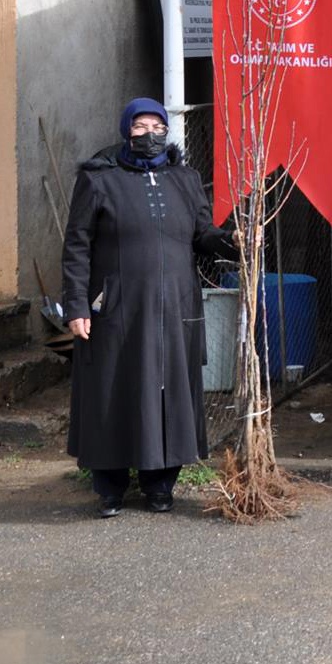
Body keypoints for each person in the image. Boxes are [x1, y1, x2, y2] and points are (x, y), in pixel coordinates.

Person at [61, 98, 235, 518]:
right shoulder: (99, 181)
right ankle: (110, 487)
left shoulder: (185, 180)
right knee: (112, 390)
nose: (150, 134)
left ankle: (160, 484)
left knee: (167, 391)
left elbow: (203, 234)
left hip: (175, 308)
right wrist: (77, 305)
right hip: (116, 310)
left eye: (158, 127)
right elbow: (77, 246)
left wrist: (233, 239)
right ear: (126, 131)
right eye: (140, 126)